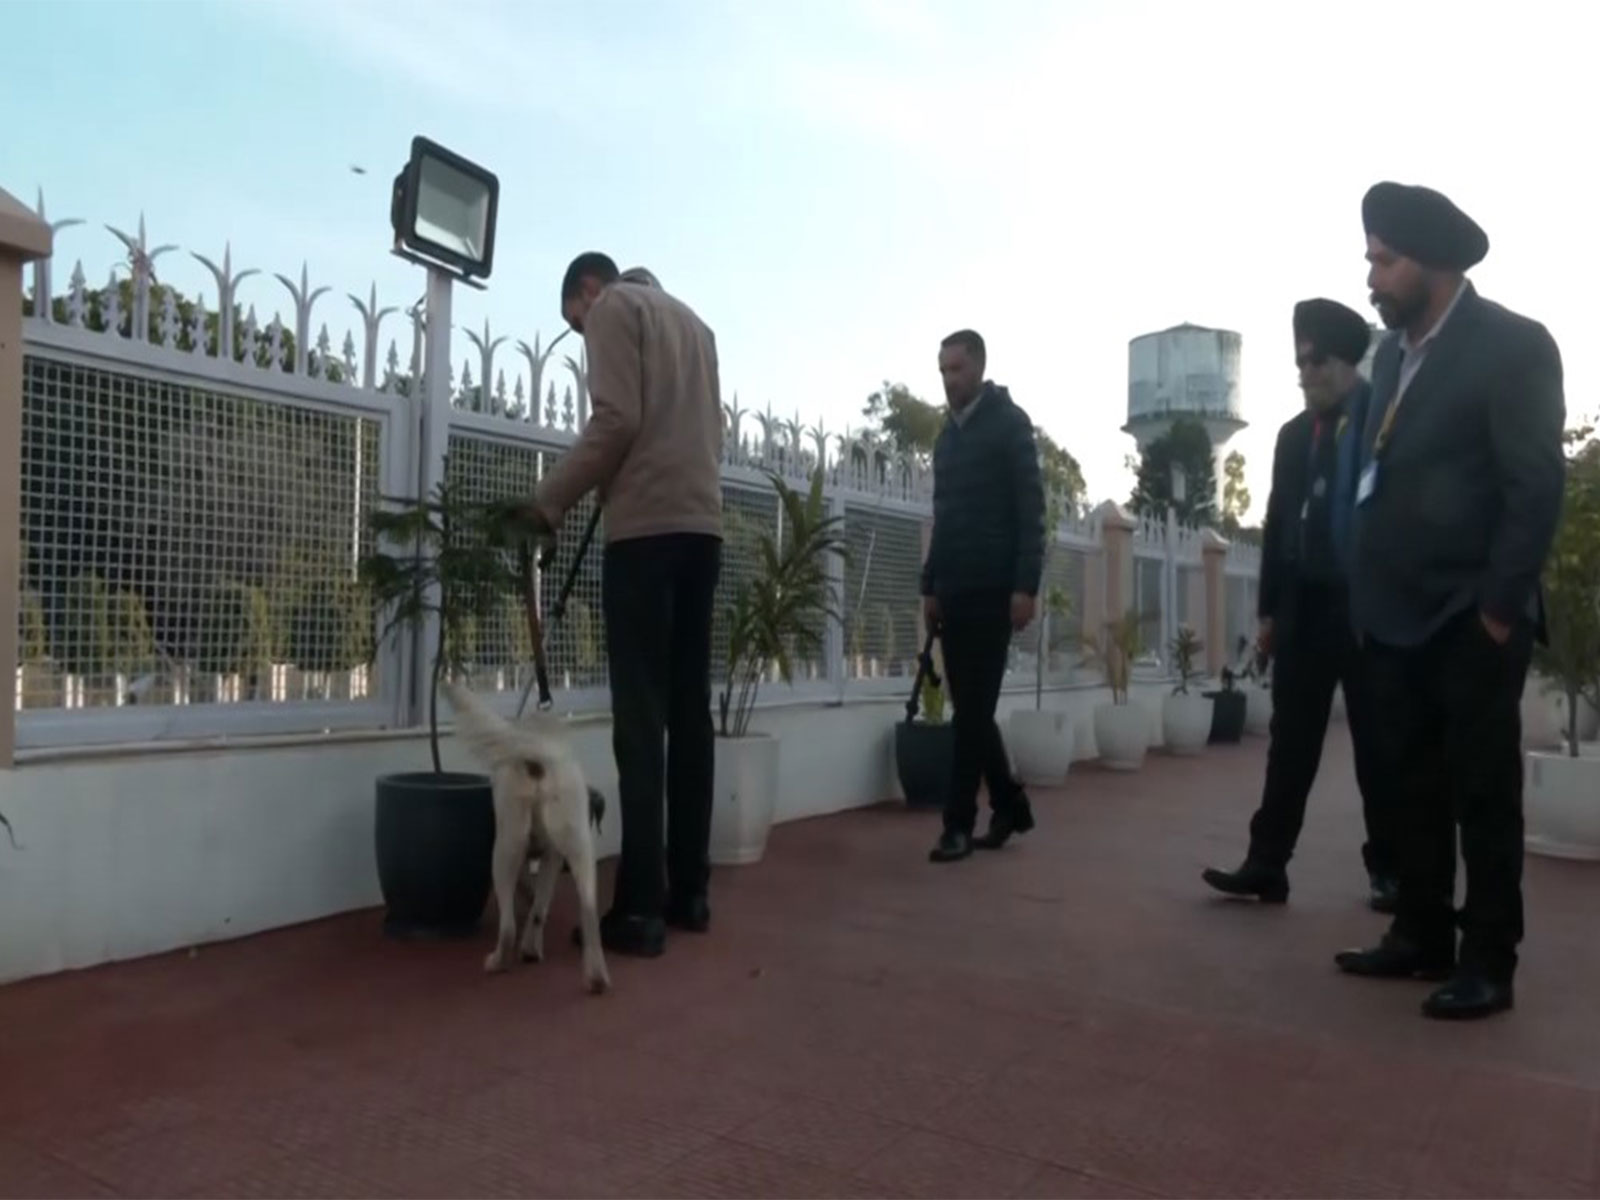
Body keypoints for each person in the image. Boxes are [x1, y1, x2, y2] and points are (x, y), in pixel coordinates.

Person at [1334, 183, 1566, 1020]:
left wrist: (1498, 611)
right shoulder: (1387, 358)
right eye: (1370, 259)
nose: (1372, 277)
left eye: (1384, 261)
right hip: (1393, 617)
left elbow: (1535, 484)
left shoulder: (1513, 346)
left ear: (1431, 264)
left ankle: (1489, 960)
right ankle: (1421, 934)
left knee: (1481, 794)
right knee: (1410, 789)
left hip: (1471, 614)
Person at [527, 251, 724, 958]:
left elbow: (615, 419)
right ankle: (691, 892)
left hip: (643, 539)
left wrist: (549, 501)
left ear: (588, 288)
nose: (584, 337)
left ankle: (639, 908)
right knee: (689, 713)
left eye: (574, 326)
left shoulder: (614, 309)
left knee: (640, 721)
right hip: (703, 532)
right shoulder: (698, 328)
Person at [1203, 298, 1398, 912]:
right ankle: (1267, 865)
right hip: (1307, 609)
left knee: (1379, 746)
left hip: (1368, 610)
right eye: (1299, 363)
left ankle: (1391, 869)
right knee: (1290, 745)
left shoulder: (1381, 423)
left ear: (1347, 362)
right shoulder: (1292, 437)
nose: (1306, 373)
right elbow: (1279, 523)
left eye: (1316, 362)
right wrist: (1267, 612)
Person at [920, 329, 1045, 863]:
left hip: (997, 591)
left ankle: (957, 824)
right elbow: (942, 518)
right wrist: (930, 584)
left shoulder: (1009, 426)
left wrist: (1025, 586)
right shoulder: (945, 440)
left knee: (970, 714)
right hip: (955, 589)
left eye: (957, 370)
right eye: (943, 371)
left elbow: (1030, 512)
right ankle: (1011, 805)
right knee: (972, 707)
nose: (950, 380)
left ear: (979, 368)